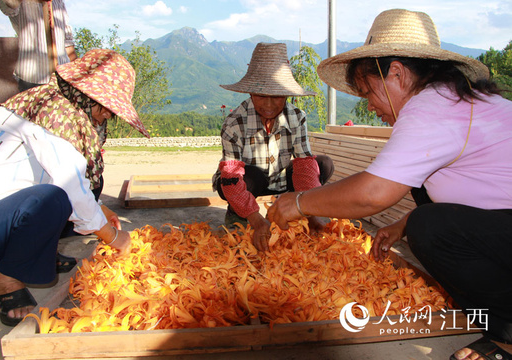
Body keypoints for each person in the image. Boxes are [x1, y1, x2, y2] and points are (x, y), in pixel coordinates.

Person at [267, 9, 512, 360]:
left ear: (396, 72)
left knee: (430, 227)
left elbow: (372, 193)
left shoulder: (431, 106)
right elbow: (465, 187)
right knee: (422, 209)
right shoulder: (453, 100)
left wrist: (299, 203)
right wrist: (402, 223)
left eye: (368, 91)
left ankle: (506, 335)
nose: (369, 105)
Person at [0, 49, 150, 327]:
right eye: (104, 108)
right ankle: (7, 281)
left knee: (89, 193)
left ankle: (39, 252)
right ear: (86, 97)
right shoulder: (52, 112)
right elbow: (68, 184)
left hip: (1, 218)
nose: (105, 116)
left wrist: (99, 210)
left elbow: (74, 180)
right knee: (52, 200)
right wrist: (114, 237)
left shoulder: (49, 103)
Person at [212, 42, 334, 252]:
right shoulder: (234, 124)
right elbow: (232, 178)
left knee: (322, 164)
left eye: (276, 96)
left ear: (287, 95)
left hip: (280, 180)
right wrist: (258, 221)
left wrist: (311, 214)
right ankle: (239, 213)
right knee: (250, 177)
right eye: (261, 95)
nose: (268, 104)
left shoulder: (297, 118)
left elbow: (304, 167)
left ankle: (295, 211)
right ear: (250, 93)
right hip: (247, 181)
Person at [0, 0, 77, 92]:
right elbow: (8, 6)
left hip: (62, 76)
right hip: (33, 78)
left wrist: (74, 72)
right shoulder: (23, 3)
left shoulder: (58, 2)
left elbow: (67, 41)